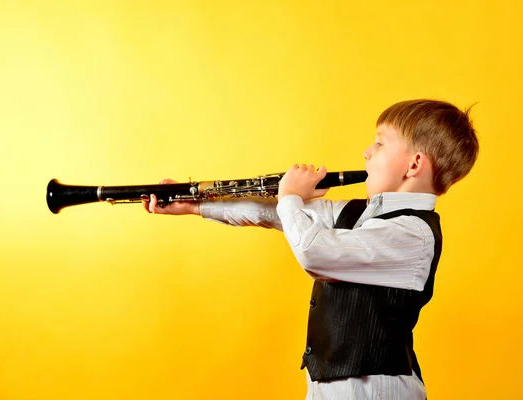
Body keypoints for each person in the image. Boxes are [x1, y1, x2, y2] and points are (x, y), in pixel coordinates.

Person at [142, 99, 479, 399]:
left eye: (379, 143)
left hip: (375, 390)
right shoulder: (358, 212)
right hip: (329, 387)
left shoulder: (412, 233)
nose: (366, 152)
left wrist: (290, 196)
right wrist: (195, 204)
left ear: (414, 164)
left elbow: (314, 252)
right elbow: (275, 215)